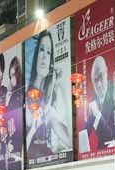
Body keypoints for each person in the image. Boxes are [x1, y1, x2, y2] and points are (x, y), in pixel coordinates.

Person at [26, 30, 72, 159]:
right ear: (36, 56)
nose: (44, 56)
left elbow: (70, 141)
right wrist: (33, 129)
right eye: (42, 49)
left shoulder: (47, 110)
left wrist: (62, 85)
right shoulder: (22, 99)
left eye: (48, 52)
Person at [85, 56, 115, 149]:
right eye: (95, 80)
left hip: (114, 148)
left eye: (101, 76)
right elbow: (89, 125)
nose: (99, 84)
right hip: (100, 151)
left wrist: (98, 115)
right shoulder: (93, 98)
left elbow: (111, 135)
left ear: (106, 72)